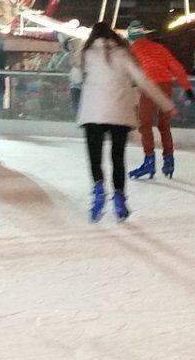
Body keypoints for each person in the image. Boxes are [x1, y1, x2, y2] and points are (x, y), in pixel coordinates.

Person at [73, 22, 177, 223]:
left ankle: (98, 191)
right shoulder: (123, 53)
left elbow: (76, 78)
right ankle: (119, 198)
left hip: (93, 113)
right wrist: (166, 105)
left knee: (95, 158)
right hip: (119, 112)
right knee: (117, 157)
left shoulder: (86, 53)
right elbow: (143, 80)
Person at [126, 25, 195, 179]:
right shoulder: (158, 47)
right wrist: (187, 88)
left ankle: (149, 161)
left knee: (145, 125)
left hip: (149, 87)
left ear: (130, 37)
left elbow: (129, 71)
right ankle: (169, 160)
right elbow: (176, 67)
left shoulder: (132, 50)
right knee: (164, 125)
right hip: (166, 85)